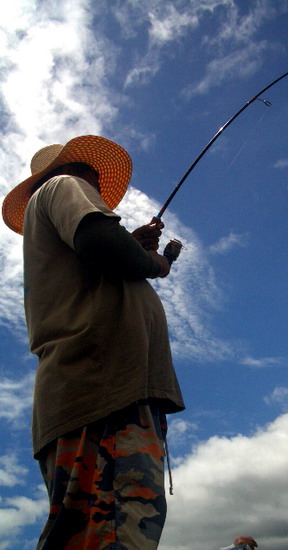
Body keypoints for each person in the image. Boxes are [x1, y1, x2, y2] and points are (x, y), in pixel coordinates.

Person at [2, 135, 185, 549]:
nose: (99, 184)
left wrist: (131, 246)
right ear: (77, 171)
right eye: (95, 175)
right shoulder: (61, 185)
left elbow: (103, 249)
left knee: (81, 536)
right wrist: (157, 263)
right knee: (115, 533)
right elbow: (101, 242)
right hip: (105, 393)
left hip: (93, 393)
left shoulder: (50, 213)